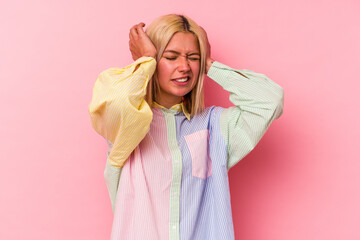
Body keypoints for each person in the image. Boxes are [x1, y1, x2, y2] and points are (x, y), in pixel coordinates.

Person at [89, 14, 284, 240]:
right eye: (171, 57)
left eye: (193, 57)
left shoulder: (216, 127)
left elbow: (270, 100)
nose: (184, 67)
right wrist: (146, 61)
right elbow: (114, 102)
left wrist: (210, 65)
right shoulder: (129, 124)